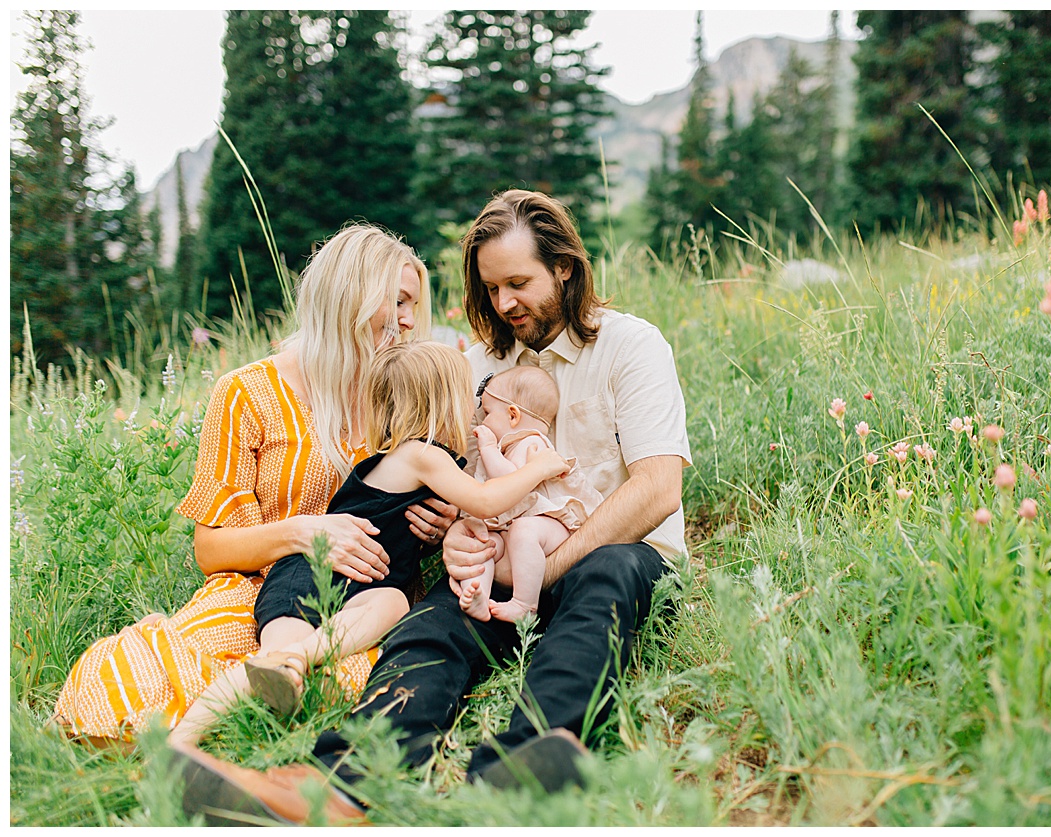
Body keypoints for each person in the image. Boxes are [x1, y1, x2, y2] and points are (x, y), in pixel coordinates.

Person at [175, 190, 690, 825]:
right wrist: (451, 535)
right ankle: (335, 787)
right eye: (492, 288)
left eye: (519, 283)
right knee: (428, 628)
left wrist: (543, 572)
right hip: (495, 565)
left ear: (564, 267)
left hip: (609, 553)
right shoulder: (471, 367)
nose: (504, 304)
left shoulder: (630, 347)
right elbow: (449, 485)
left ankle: (525, 768)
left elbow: (659, 487)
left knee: (604, 586)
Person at [52, 225, 463, 744]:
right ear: (350, 297)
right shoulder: (247, 393)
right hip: (261, 588)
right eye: (399, 301)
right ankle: (173, 739)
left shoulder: (408, 398)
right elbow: (211, 549)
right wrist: (304, 534)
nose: (409, 320)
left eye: (414, 305)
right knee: (150, 674)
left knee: (349, 679)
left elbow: (440, 498)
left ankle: (256, 728)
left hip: (367, 601)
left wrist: (439, 525)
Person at [168, 342, 570, 748]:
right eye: (469, 396)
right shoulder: (422, 455)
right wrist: (537, 468)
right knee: (270, 656)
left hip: (359, 586)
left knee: (391, 603)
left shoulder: (417, 457)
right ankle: (184, 736)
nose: (476, 409)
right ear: (444, 403)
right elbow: (486, 501)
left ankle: (300, 663)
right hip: (310, 574)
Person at [455, 365, 607, 623]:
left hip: (551, 528)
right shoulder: (511, 447)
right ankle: (478, 592)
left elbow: (510, 480)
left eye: (488, 413)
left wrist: (489, 448)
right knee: (485, 542)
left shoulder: (533, 443)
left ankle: (525, 604)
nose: (483, 420)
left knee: (523, 531)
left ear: (512, 415)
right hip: (516, 527)